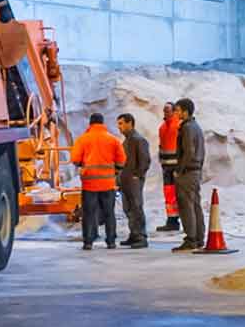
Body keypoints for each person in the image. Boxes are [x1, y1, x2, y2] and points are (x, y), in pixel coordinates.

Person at [68, 112, 126, 250]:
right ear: (102, 123)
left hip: (90, 184)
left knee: (89, 213)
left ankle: (88, 242)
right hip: (108, 183)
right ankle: (111, 241)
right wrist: (116, 171)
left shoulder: (83, 139)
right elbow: (122, 159)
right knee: (109, 213)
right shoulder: (112, 139)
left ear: (90, 123)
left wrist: (82, 165)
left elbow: (75, 158)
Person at [173, 97, 206, 251]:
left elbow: (189, 152)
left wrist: (179, 170)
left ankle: (191, 239)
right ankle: (199, 237)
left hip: (187, 172)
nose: (175, 112)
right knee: (195, 205)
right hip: (195, 171)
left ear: (185, 112)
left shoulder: (187, 128)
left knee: (186, 206)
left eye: (178, 110)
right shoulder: (196, 126)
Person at [116, 112, 153, 248]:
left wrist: (138, 174)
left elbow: (145, 160)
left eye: (121, 123)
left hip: (134, 181)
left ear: (129, 123)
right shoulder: (127, 140)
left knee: (136, 208)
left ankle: (141, 237)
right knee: (128, 208)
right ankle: (134, 234)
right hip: (126, 180)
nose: (119, 127)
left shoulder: (138, 140)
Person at [156, 101, 182, 233]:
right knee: (169, 194)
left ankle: (185, 221)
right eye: (164, 110)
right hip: (166, 168)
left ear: (174, 111)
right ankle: (172, 220)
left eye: (168, 110)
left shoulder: (179, 125)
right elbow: (162, 146)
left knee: (179, 194)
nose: (165, 112)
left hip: (177, 167)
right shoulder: (162, 127)